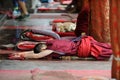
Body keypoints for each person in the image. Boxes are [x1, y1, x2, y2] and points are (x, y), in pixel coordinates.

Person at [9, 36, 112, 60]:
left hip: (81, 46)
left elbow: (37, 54)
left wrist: (22, 54)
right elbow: (37, 52)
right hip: (81, 45)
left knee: (103, 50)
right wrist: (22, 54)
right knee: (103, 46)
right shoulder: (49, 43)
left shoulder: (49, 48)